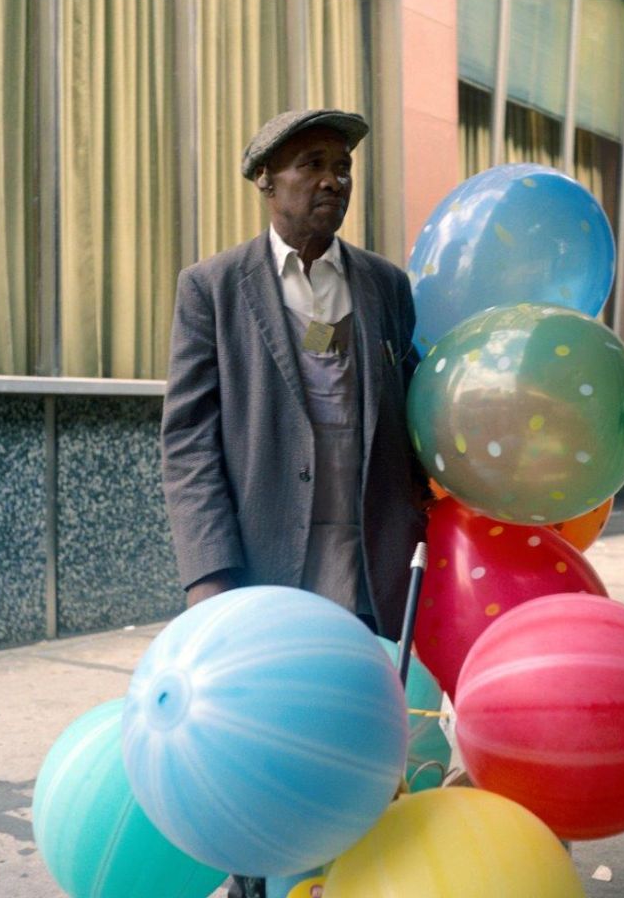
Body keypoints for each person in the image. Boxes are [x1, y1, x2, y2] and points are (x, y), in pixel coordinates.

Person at [161, 111, 427, 897]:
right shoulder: (212, 288)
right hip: (264, 570)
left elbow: (414, 417)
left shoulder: (385, 286)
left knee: (360, 753)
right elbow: (187, 441)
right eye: (312, 164)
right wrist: (210, 578)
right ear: (266, 181)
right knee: (255, 755)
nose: (334, 180)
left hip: (369, 565)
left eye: (343, 165)